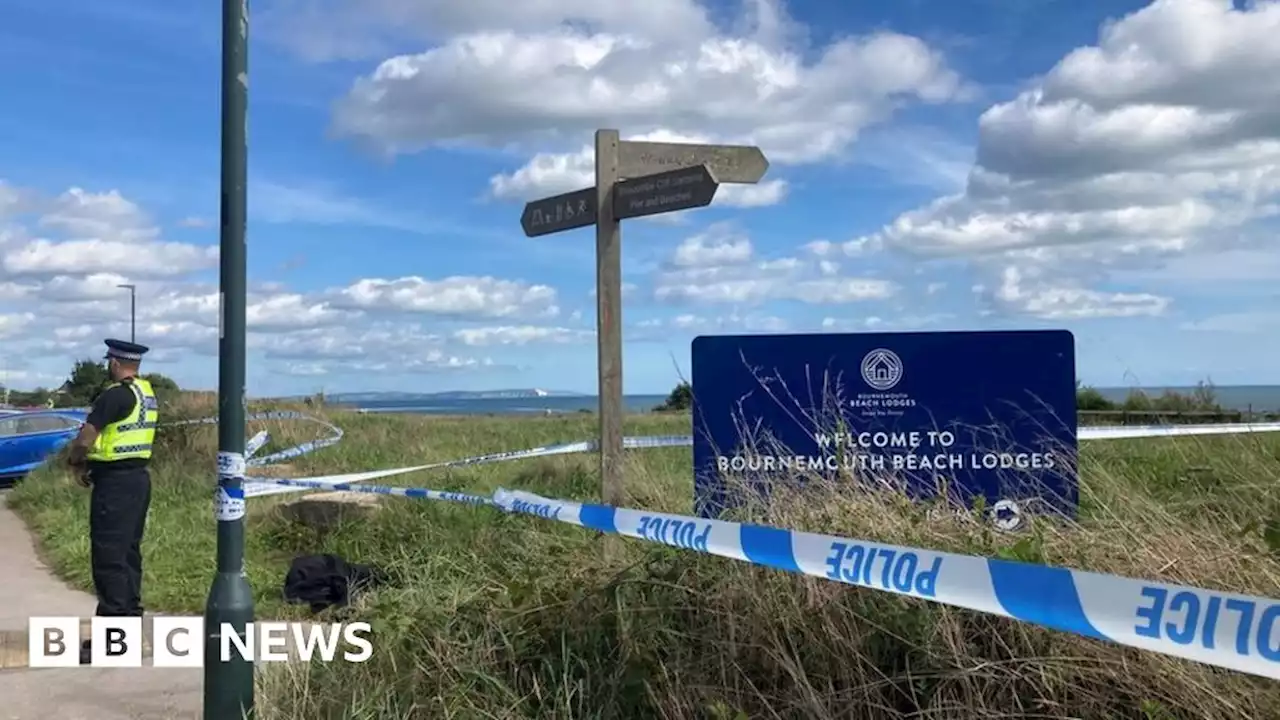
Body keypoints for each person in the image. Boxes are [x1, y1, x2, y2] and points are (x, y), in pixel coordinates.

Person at [66, 339, 158, 664]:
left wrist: (76, 461)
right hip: (138, 480)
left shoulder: (115, 394)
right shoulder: (146, 394)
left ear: (115, 363)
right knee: (128, 555)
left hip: (115, 484)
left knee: (109, 559)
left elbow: (87, 436)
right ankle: (128, 625)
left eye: (110, 362)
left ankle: (115, 642)